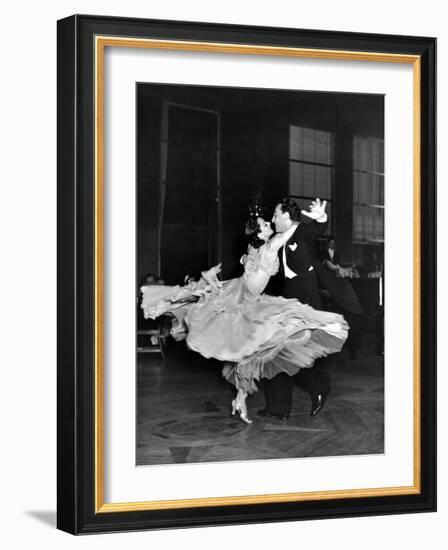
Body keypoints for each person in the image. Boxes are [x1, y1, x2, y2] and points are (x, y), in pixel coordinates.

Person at [141, 212, 348, 424]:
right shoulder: (270, 245)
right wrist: (304, 218)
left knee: (264, 354)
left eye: (271, 219)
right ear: (260, 232)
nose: (271, 222)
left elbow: (259, 257)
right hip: (247, 303)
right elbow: (288, 233)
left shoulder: (256, 247)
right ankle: (277, 401)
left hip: (251, 300)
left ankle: (280, 396)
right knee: (261, 353)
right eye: (266, 223)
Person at [256, 198, 338, 420]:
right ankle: (278, 408)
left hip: (304, 305)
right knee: (274, 354)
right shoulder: (278, 239)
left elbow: (317, 229)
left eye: (275, 215)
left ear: (286, 216)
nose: (272, 220)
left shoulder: (301, 232)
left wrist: (321, 216)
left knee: (288, 355)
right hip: (286, 300)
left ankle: (320, 386)